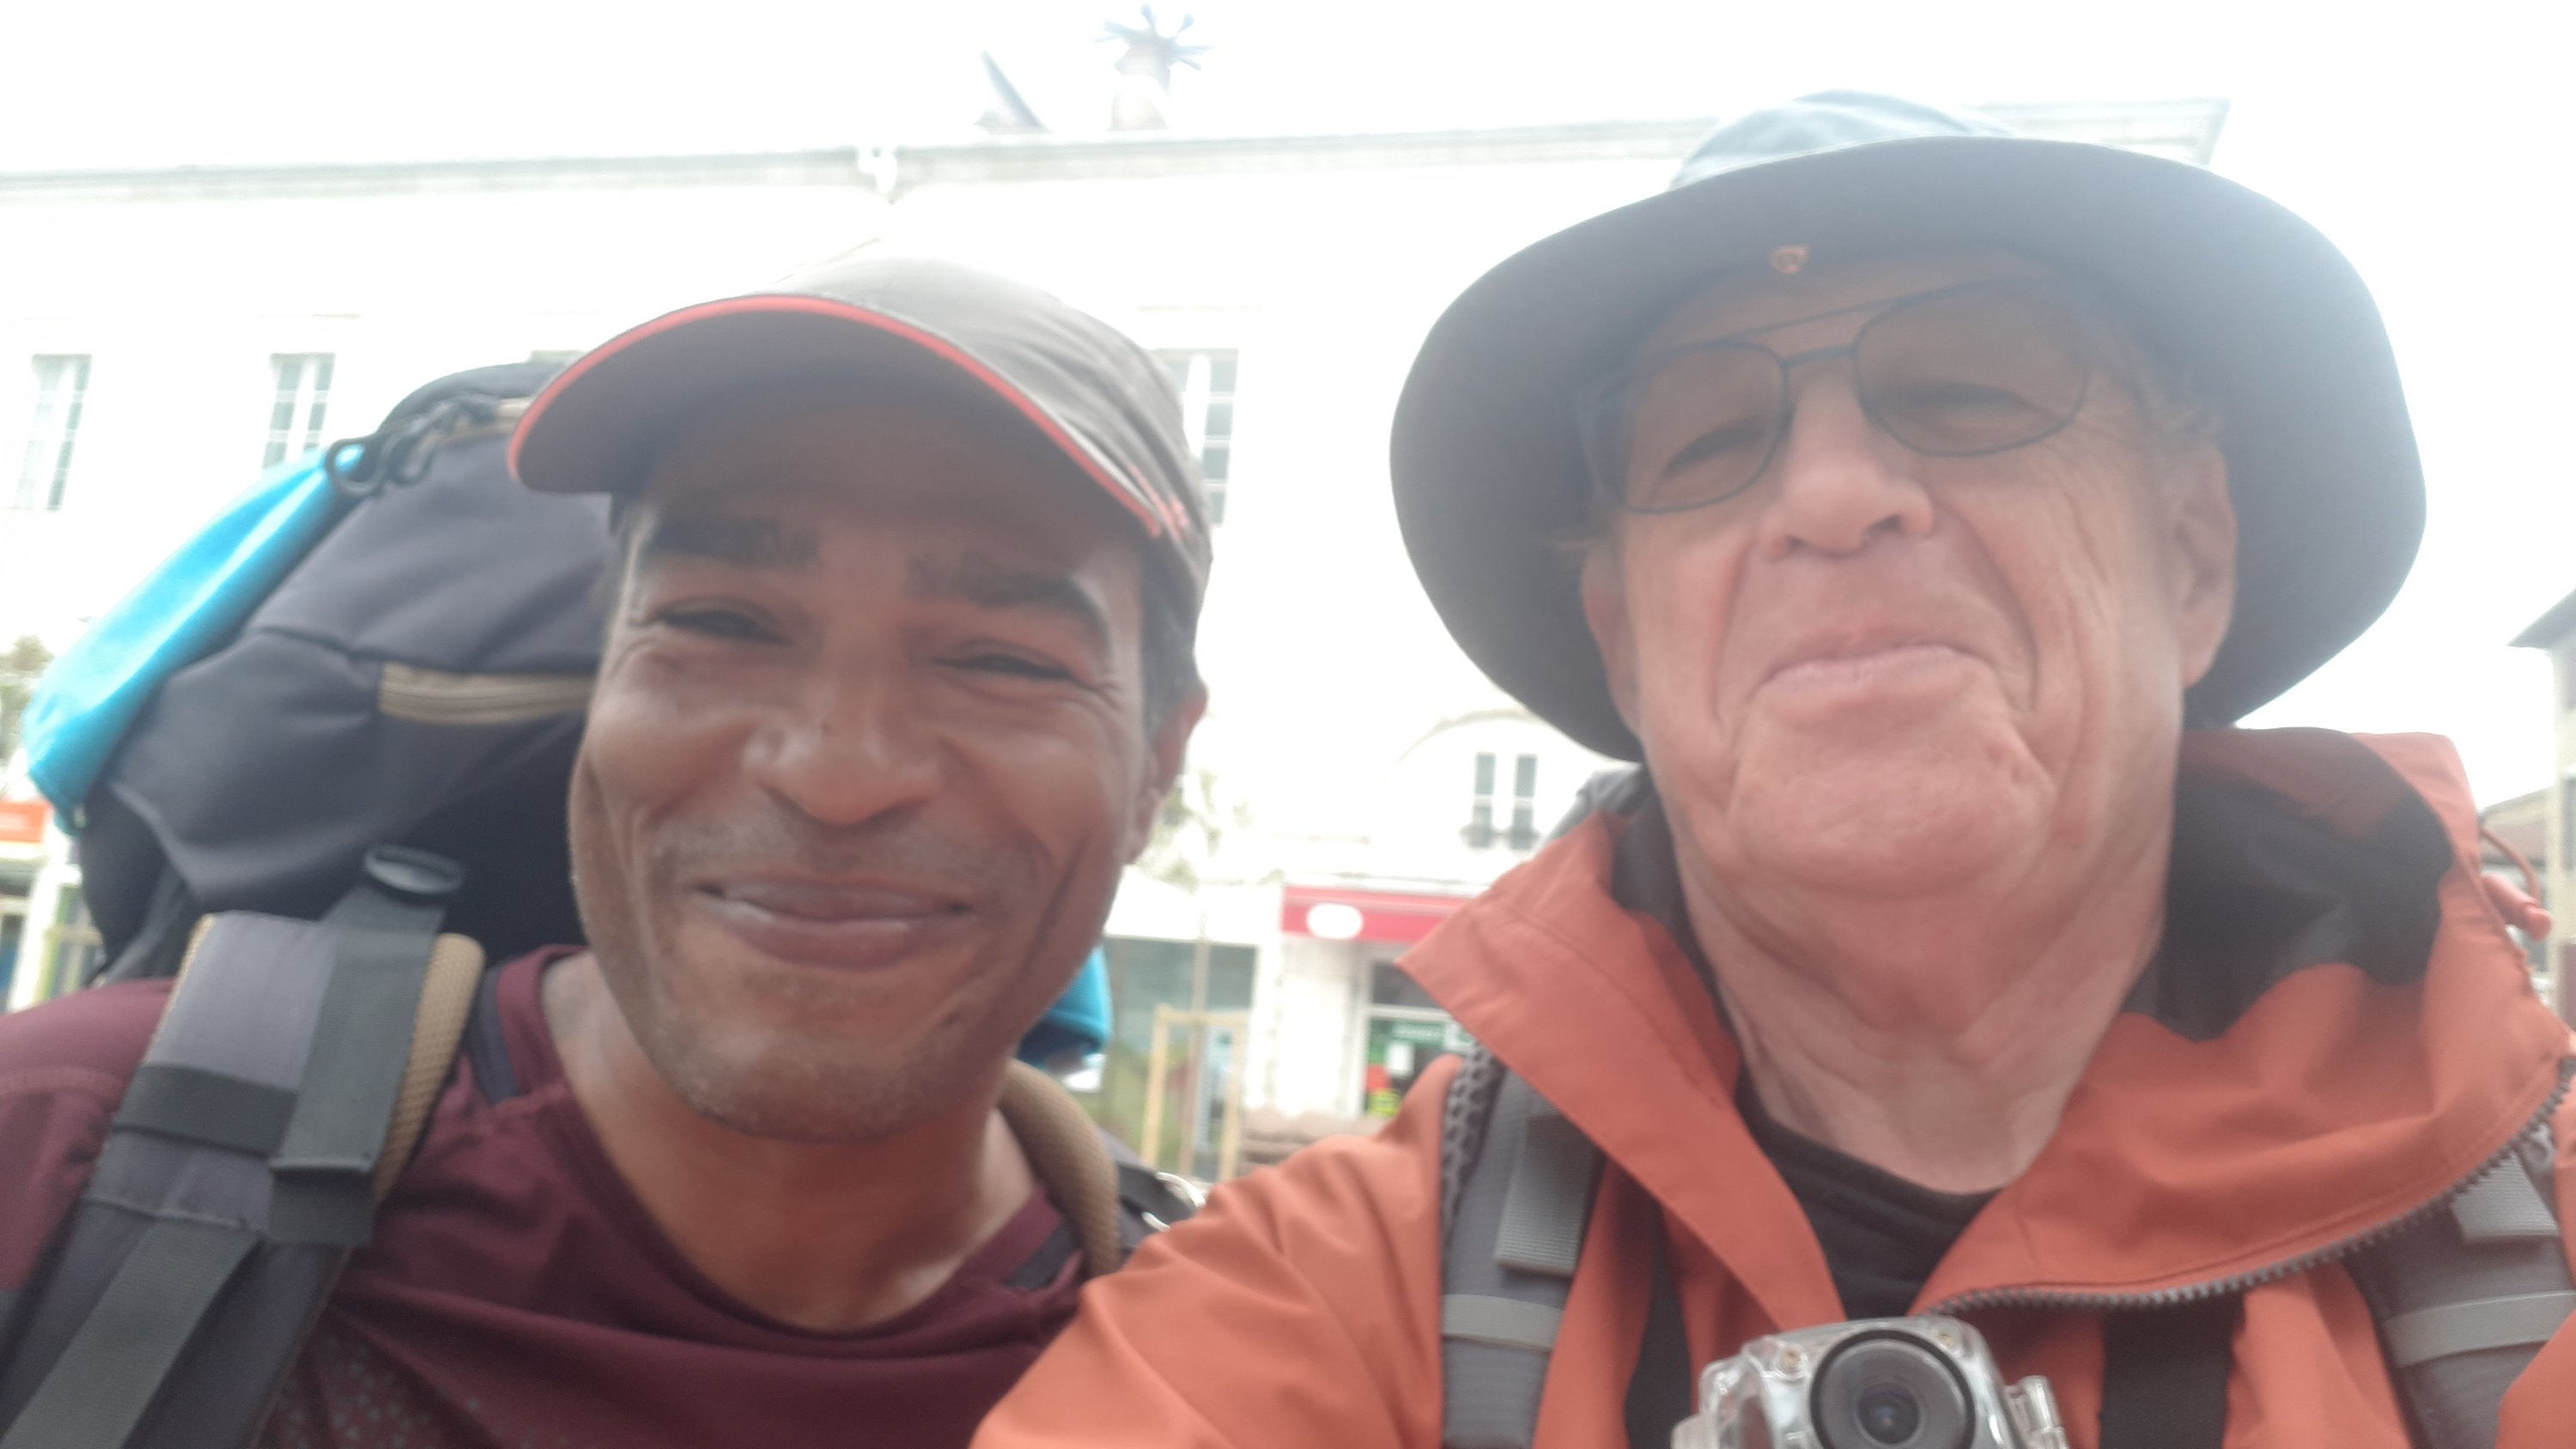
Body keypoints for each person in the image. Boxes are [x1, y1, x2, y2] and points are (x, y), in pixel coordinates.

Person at [975, 93, 2576, 1447]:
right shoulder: (1324, 1299)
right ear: (1625, 643)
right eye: (1707, 441)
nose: (1828, 493)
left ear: (2195, 553)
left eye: (1966, 394)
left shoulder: (2541, 1255)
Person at [0, 255, 1210, 1447]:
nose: (835, 778)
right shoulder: (58, 1145)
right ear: (606, 669)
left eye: (1003, 660)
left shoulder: (1231, 1362)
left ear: (1158, 758)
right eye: (720, 622)